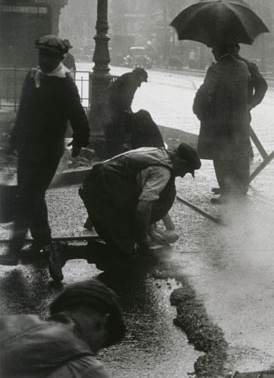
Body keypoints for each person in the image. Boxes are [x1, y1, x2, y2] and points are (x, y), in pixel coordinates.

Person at [0, 35, 90, 281]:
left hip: (48, 150)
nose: (44, 60)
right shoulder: (32, 77)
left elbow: (77, 113)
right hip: (29, 147)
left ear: (60, 58)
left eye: (50, 56)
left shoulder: (65, 83)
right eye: (42, 55)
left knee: (27, 196)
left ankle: (14, 249)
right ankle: (45, 246)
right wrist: (13, 142)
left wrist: (80, 141)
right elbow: (24, 111)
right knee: (33, 195)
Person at [50, 143, 201, 278]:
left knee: (129, 246)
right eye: (186, 171)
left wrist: (151, 231)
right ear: (180, 162)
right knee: (128, 258)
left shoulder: (159, 152)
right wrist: (143, 239)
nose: (182, 175)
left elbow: (141, 193)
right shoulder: (163, 171)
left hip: (106, 187)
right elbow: (143, 207)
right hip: (103, 192)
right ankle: (65, 251)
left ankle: (120, 245)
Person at [0, 279, 125, 378]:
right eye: (102, 342)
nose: (95, 353)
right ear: (102, 323)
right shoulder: (86, 370)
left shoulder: (11, 324)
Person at [193, 44, 266, 203]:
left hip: (220, 120)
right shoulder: (244, 66)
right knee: (240, 152)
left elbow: (205, 92)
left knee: (221, 155)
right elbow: (260, 85)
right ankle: (239, 187)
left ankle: (227, 190)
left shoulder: (217, 69)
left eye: (214, 50)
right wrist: (249, 105)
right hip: (240, 118)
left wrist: (199, 110)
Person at [102, 67, 148, 157]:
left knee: (111, 131)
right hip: (114, 108)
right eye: (142, 80)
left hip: (110, 106)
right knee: (116, 132)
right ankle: (113, 154)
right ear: (140, 76)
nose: (141, 84)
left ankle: (108, 153)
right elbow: (127, 97)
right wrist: (127, 109)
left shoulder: (128, 76)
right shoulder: (133, 81)